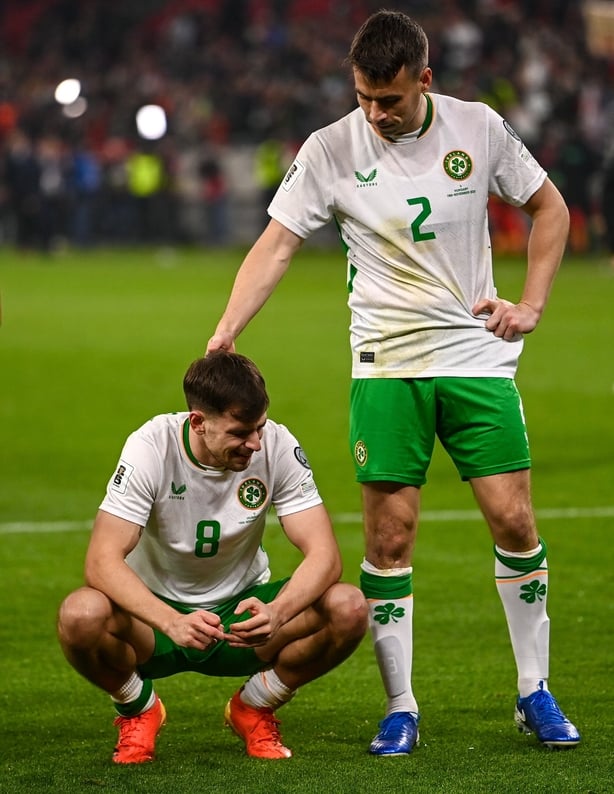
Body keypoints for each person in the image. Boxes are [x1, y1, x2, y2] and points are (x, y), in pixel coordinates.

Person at [206, 10, 581, 756]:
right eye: (365, 97)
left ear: (425, 81)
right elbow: (278, 243)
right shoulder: (330, 148)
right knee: (390, 537)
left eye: (392, 100)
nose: (376, 113)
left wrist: (531, 305)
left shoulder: (478, 127)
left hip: (475, 357)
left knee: (515, 523)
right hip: (384, 361)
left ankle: (534, 691)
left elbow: (549, 207)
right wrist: (226, 331)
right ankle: (400, 706)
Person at [57, 352, 367, 764]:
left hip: (243, 616)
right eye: (241, 433)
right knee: (79, 614)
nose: (255, 443)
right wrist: (171, 620)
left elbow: (325, 556)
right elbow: (101, 561)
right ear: (198, 422)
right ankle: (139, 708)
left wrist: (277, 611)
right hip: (154, 622)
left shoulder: (276, 443)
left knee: (349, 607)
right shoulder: (151, 445)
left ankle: (255, 705)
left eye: (259, 427)